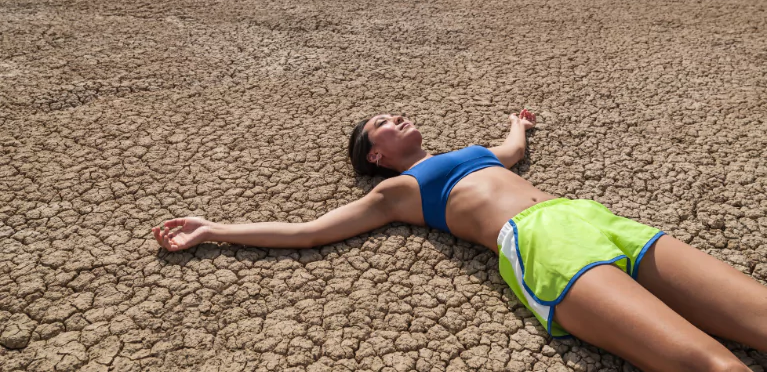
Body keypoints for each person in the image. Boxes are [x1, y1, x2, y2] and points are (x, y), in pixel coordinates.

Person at [152, 110, 765, 371]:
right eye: (382, 124)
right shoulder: (401, 191)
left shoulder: (467, 153)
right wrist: (213, 228)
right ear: (377, 155)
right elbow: (309, 232)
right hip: (540, 245)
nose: (396, 119)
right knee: (711, 363)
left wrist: (516, 124)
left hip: (592, 217)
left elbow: (511, 153)